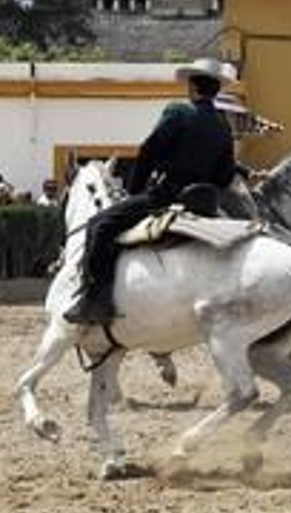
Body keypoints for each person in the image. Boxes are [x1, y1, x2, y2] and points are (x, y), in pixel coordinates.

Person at [67, 57, 239, 324]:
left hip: (168, 195)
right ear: (216, 89)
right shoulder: (222, 125)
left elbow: (149, 152)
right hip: (205, 202)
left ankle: (96, 300)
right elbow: (226, 174)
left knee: (98, 225)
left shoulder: (178, 111)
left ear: (192, 87)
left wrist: (135, 190)